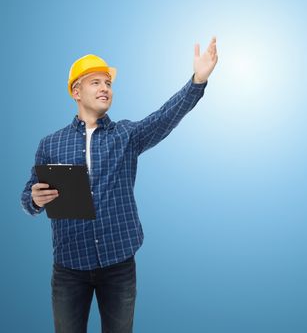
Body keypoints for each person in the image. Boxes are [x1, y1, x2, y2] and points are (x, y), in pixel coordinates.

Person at [21, 37, 218, 333]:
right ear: (76, 91)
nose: (105, 88)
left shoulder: (126, 135)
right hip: (69, 269)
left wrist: (197, 81)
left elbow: (165, 117)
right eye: (96, 82)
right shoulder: (50, 144)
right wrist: (35, 199)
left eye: (108, 84)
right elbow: (28, 197)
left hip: (118, 265)